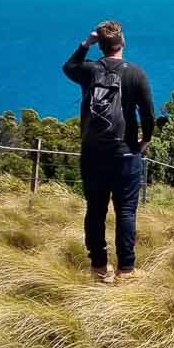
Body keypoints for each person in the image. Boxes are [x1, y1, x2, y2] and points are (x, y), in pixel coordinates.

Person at [62, 19, 155, 283]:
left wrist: (85, 43)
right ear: (123, 42)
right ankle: (126, 269)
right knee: (125, 211)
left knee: (95, 209)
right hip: (125, 152)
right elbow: (148, 113)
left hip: (93, 153)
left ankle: (99, 268)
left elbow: (68, 67)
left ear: (100, 45)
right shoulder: (136, 74)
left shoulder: (90, 71)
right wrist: (145, 139)